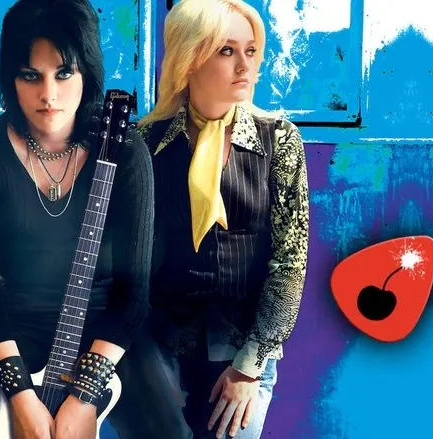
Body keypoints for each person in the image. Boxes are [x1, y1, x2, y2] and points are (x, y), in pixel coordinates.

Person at [0, 0, 154, 438]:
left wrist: (83, 396)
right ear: (11, 78)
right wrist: (23, 399)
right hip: (13, 329)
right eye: (30, 76)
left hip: (107, 331)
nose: (48, 95)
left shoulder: (126, 151)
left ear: (87, 72)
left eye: (64, 74)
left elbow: (133, 292)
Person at [110, 1, 310, 438]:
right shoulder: (146, 142)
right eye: (226, 50)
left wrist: (249, 367)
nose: (245, 65)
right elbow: (125, 261)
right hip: (158, 346)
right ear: (190, 58)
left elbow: (290, 265)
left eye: (251, 51)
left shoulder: (279, 140)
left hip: (242, 348)